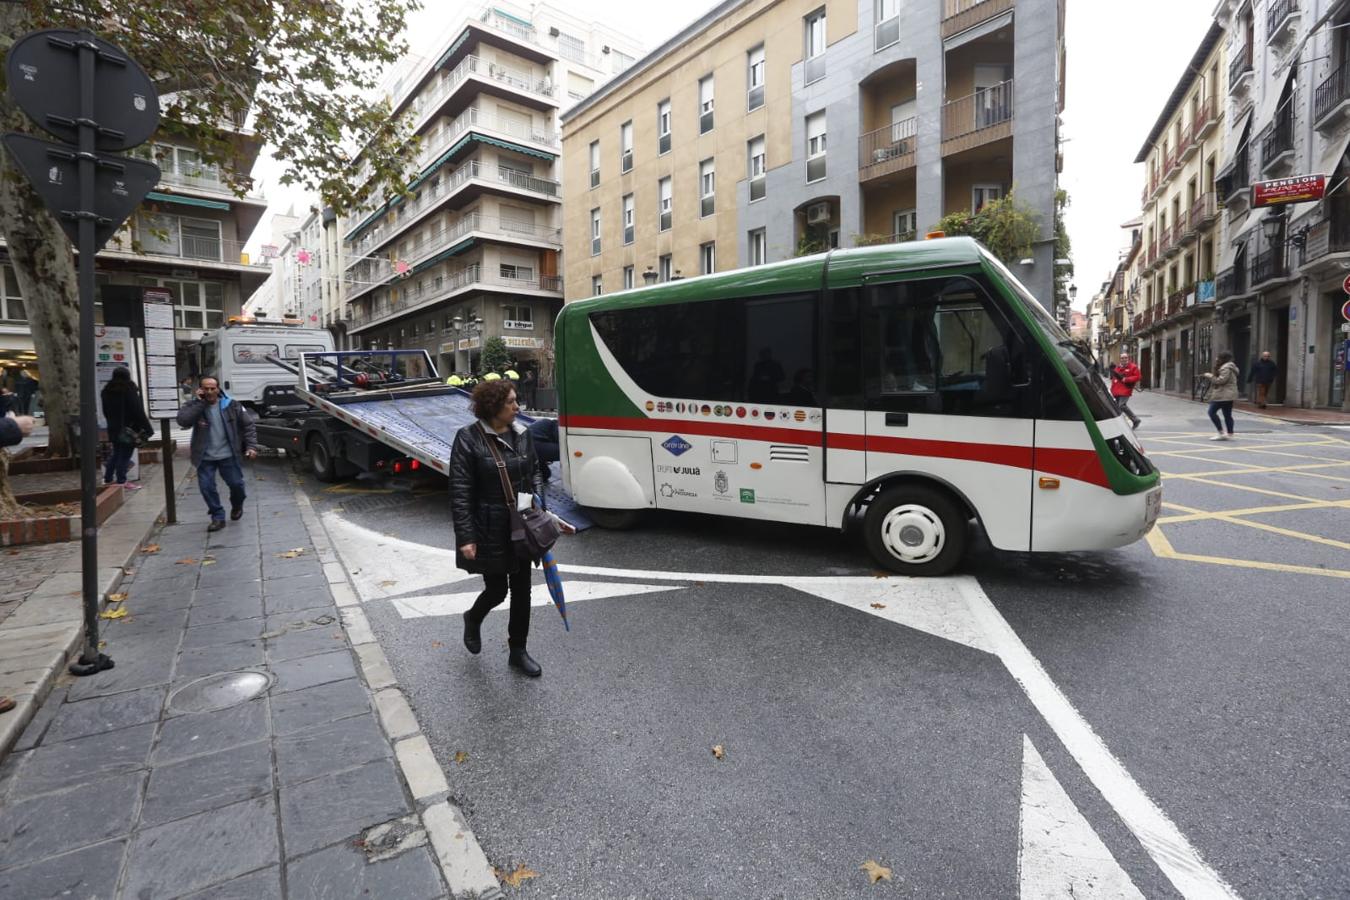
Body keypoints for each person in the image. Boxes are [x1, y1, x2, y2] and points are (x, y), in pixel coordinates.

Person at [449, 380, 573, 677]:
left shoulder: (522, 434)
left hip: (521, 522)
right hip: (488, 526)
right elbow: (460, 491)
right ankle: (473, 618)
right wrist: (466, 536)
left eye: (517, 401)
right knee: (496, 590)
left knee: (522, 591)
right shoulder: (468, 439)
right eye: (511, 402)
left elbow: (534, 472)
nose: (518, 407)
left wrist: (539, 509)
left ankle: (518, 651)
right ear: (493, 406)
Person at [176, 376, 258, 531]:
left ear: (218, 389)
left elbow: (248, 426)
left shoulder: (232, 405)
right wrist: (200, 403)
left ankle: (237, 504)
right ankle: (217, 516)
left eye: (212, 388)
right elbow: (183, 420)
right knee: (206, 488)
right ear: (200, 390)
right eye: (205, 388)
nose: (209, 392)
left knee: (237, 485)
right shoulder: (195, 406)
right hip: (205, 457)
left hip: (228, 455)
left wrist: (251, 447)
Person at [100, 367, 153, 490]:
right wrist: (147, 428)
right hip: (128, 428)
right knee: (125, 455)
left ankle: (107, 478)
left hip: (113, 427)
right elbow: (137, 410)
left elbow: (105, 411)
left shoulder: (106, 391)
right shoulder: (128, 389)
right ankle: (121, 480)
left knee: (116, 453)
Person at [1203, 351, 1239, 441]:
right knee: (1227, 414)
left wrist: (1210, 376)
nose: (1216, 359)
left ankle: (1221, 433)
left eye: (1218, 357)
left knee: (1211, 412)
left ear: (1223, 358)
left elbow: (1220, 381)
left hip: (1223, 394)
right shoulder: (1230, 367)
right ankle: (1230, 434)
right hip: (1228, 394)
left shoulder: (1225, 368)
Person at [1109, 353, 1142, 429]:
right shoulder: (1117, 368)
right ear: (1120, 359)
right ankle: (1120, 423)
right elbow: (1114, 378)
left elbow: (1138, 377)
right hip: (1116, 390)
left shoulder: (1133, 367)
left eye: (1125, 358)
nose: (1124, 359)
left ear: (1128, 358)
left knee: (1121, 405)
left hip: (1126, 389)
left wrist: (1127, 379)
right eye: (1122, 358)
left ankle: (1135, 419)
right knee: (1117, 407)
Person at [527, 415, 560, 483]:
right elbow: (562, 442)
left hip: (531, 448)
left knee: (546, 475)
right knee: (567, 452)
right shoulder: (557, 426)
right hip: (536, 446)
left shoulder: (548, 423)